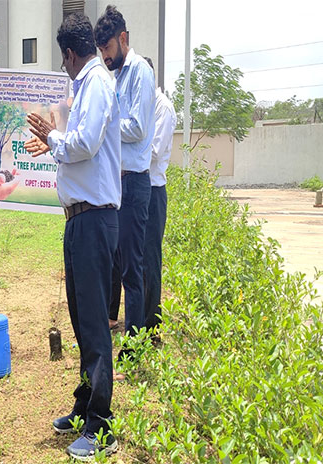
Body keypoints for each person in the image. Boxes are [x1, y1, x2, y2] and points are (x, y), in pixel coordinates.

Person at [24, 12, 121, 460]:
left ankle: (102, 424)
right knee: (82, 319)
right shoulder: (84, 86)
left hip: (95, 219)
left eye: (61, 58)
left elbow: (84, 144)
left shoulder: (98, 83)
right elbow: (74, 145)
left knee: (95, 321)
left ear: (69, 53)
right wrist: (54, 142)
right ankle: (85, 406)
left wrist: (55, 137)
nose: (62, 66)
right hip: (78, 220)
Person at [96, 5, 156, 363]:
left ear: (123, 39)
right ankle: (122, 337)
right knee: (117, 266)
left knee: (133, 269)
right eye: (101, 51)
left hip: (135, 184)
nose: (105, 56)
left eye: (108, 49)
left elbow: (137, 128)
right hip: (117, 185)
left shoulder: (140, 72)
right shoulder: (116, 75)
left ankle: (134, 351)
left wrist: (101, 128)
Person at [141, 56, 176, 335]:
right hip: (138, 190)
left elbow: (152, 153)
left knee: (150, 259)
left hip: (153, 191)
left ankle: (151, 326)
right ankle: (139, 321)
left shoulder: (162, 109)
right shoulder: (143, 107)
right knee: (136, 259)